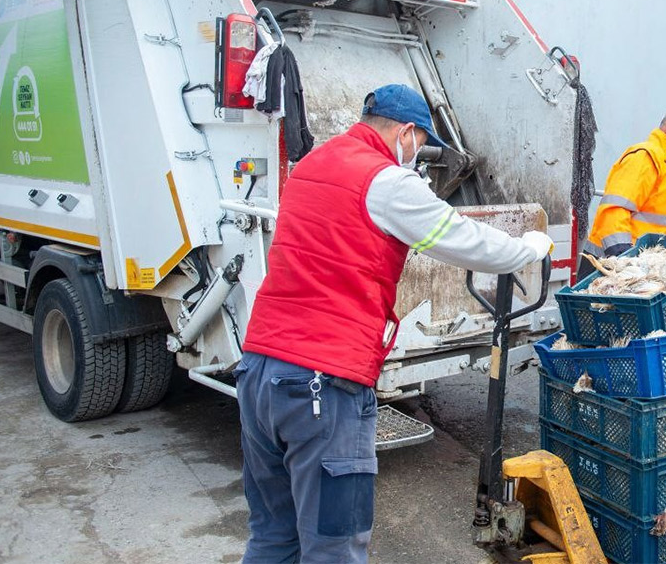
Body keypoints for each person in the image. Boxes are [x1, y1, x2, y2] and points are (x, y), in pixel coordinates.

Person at [234, 84, 553, 563]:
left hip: (260, 371)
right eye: (422, 142)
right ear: (405, 132)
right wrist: (528, 249)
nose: (420, 154)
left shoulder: (312, 166)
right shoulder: (385, 181)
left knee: (272, 537)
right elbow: (461, 239)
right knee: (334, 545)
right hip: (323, 383)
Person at [579, 105, 666, 277]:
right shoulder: (645, 157)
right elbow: (614, 211)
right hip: (610, 270)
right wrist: (625, 260)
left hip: (641, 270)